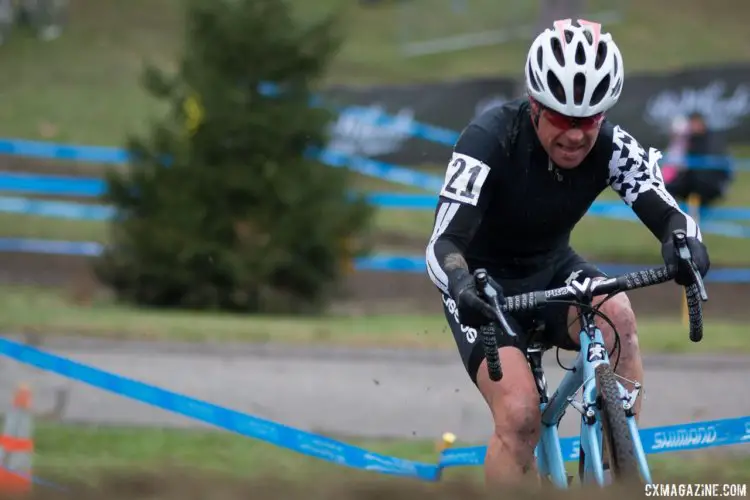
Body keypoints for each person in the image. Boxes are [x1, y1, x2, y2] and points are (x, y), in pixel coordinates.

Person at [425, 19, 710, 488]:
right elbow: (442, 243)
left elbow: (671, 214)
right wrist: (459, 282)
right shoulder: (489, 140)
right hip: (482, 286)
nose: (577, 135)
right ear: (535, 106)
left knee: (618, 316)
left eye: (591, 120)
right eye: (562, 118)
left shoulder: (611, 144)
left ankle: (616, 477)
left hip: (552, 269)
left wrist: (684, 244)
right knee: (520, 417)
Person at [664, 111, 734, 208]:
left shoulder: (712, 141)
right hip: (692, 180)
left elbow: (719, 163)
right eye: (692, 123)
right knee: (669, 188)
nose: (694, 126)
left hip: (709, 181)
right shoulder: (689, 139)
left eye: (696, 122)